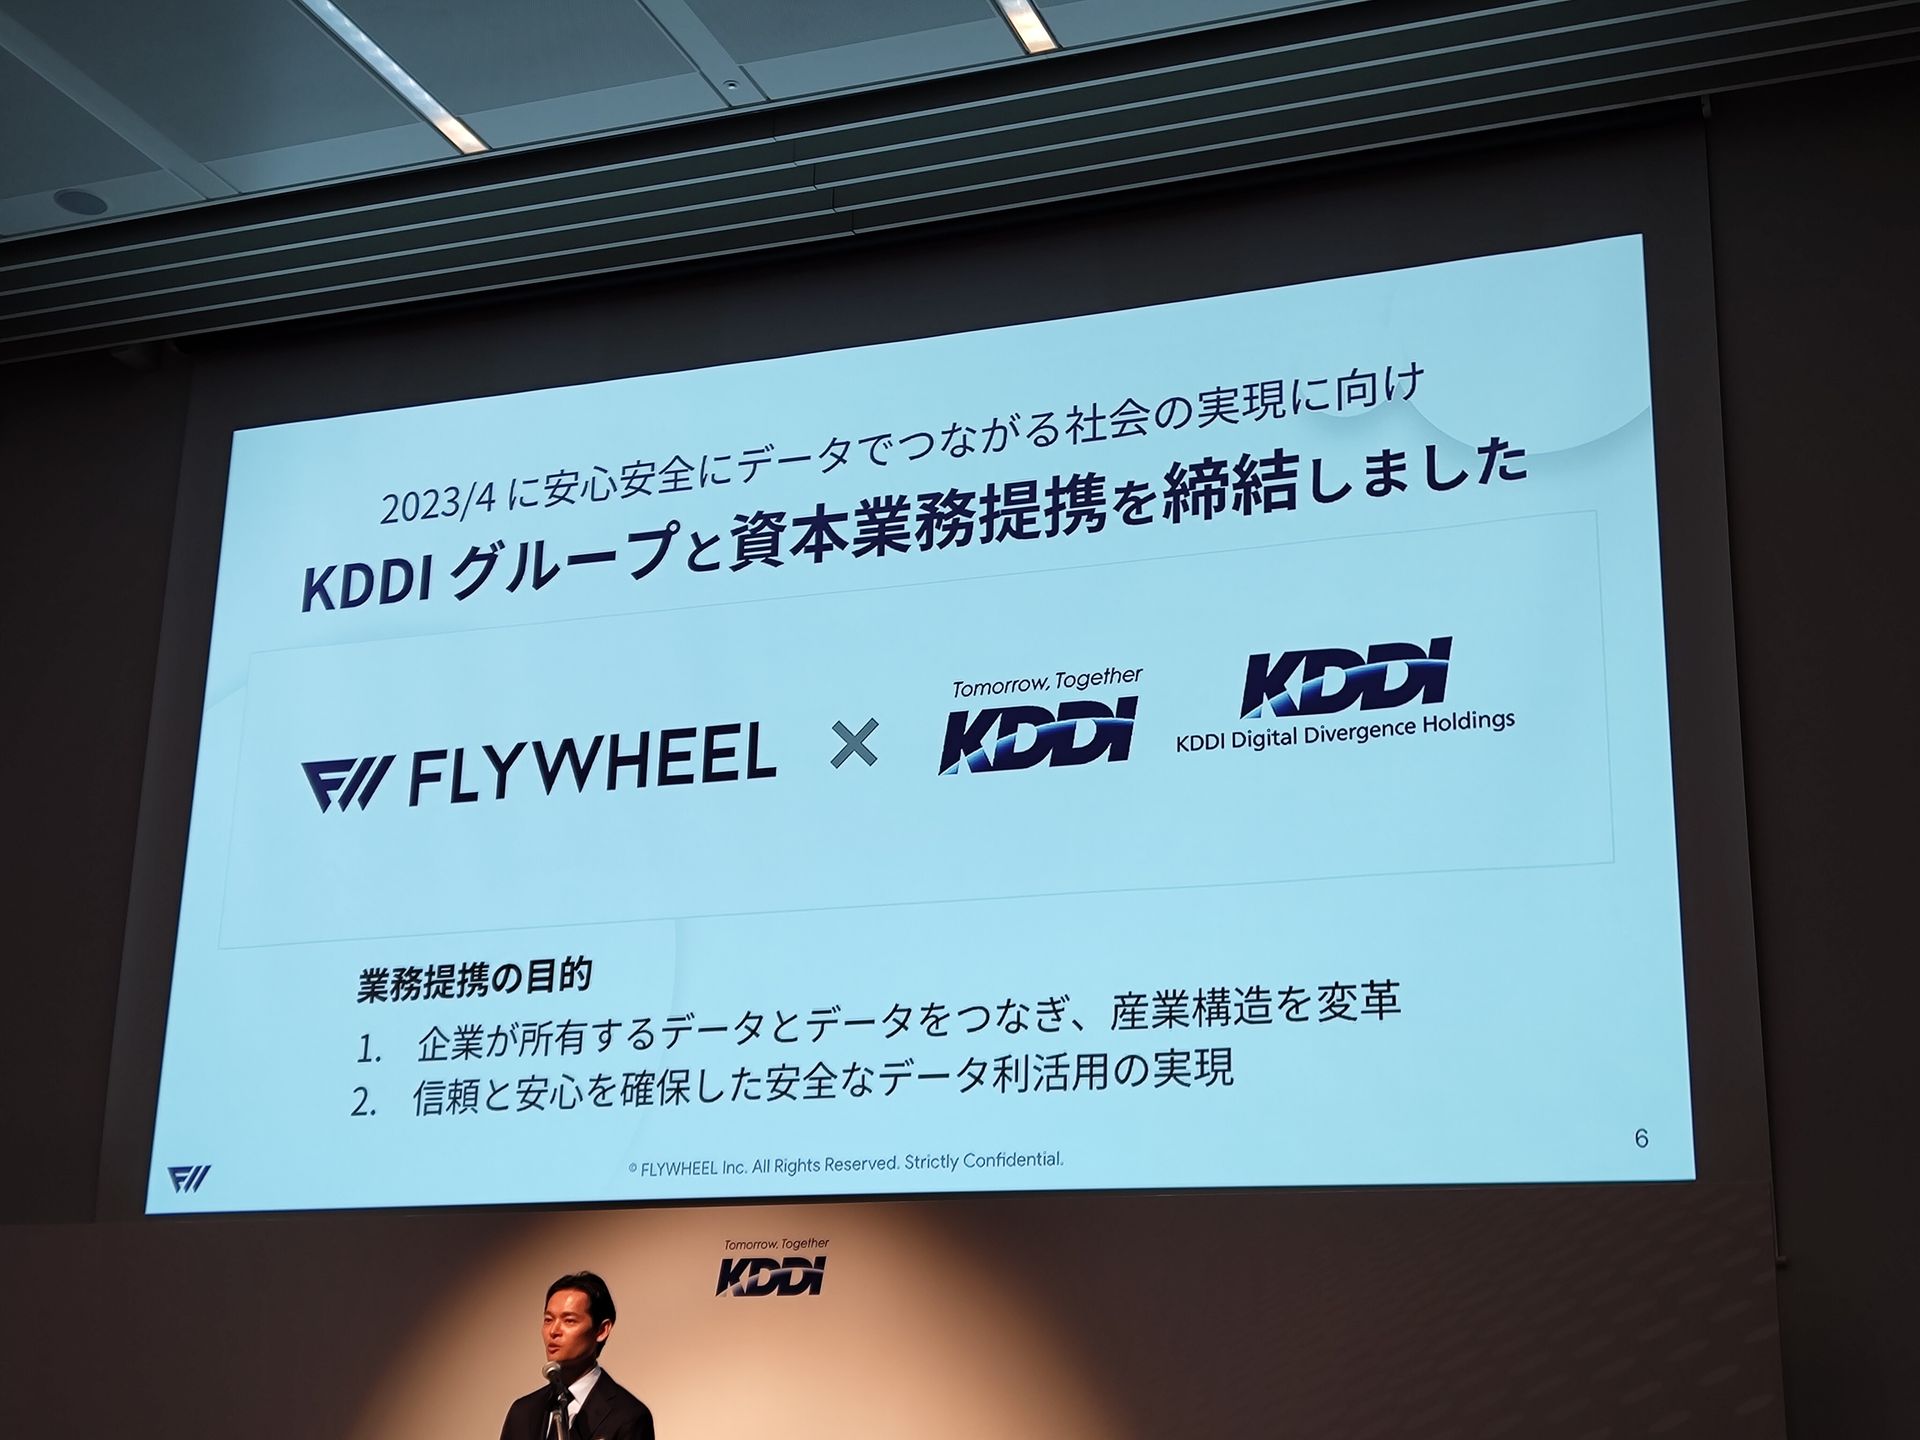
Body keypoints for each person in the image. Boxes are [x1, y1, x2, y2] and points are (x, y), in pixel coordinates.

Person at [499, 1271, 655, 1440]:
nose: (553, 1331)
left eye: (569, 1320)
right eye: (548, 1320)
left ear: (602, 1330)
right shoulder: (522, 1413)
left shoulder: (629, 1417)